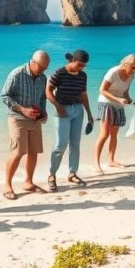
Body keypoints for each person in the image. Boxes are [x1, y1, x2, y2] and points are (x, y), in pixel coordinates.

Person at [0, 50, 50, 200]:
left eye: (45, 68)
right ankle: (7, 185)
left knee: (34, 151)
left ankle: (28, 182)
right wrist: (23, 109)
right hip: (17, 118)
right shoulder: (16, 74)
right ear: (33, 62)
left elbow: (43, 97)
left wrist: (43, 111)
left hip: (34, 119)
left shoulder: (43, 78)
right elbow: (4, 96)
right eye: (40, 67)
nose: (42, 71)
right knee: (18, 151)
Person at [45, 49, 94, 192]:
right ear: (72, 60)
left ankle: (72, 173)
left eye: (84, 65)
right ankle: (52, 174)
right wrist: (58, 106)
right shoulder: (59, 73)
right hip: (62, 110)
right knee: (60, 144)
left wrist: (89, 113)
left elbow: (83, 95)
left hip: (78, 110)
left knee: (75, 144)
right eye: (79, 64)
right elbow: (48, 91)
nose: (81, 68)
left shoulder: (83, 76)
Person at [94, 54, 135, 174]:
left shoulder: (131, 76)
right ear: (126, 64)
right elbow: (102, 90)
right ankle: (96, 163)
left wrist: (131, 101)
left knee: (114, 134)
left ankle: (111, 160)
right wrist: (118, 99)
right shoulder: (113, 72)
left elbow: (125, 92)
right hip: (106, 103)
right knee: (104, 134)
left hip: (119, 105)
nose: (134, 70)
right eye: (133, 67)